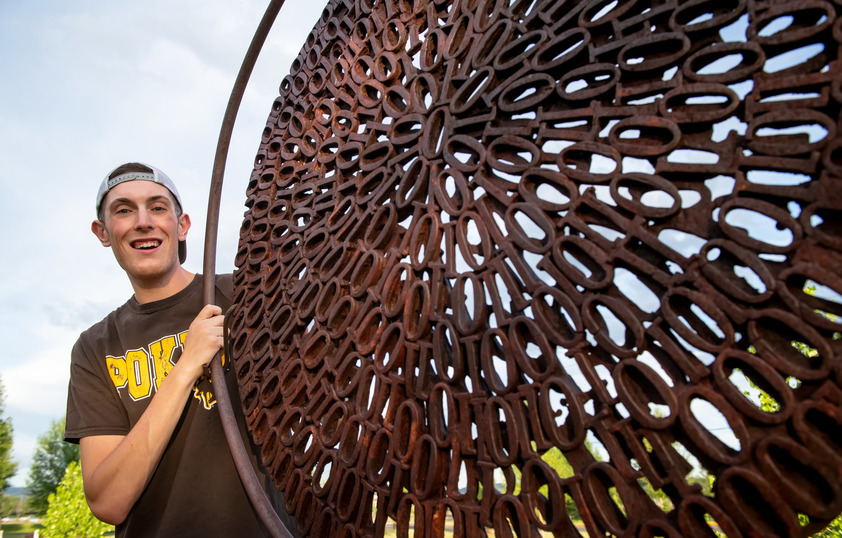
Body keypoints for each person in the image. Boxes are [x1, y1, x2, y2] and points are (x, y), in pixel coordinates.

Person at [64, 162, 296, 537]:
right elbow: (108, 501)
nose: (143, 221)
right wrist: (187, 364)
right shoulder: (95, 347)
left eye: (157, 207)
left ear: (182, 224)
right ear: (103, 232)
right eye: (123, 210)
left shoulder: (247, 296)